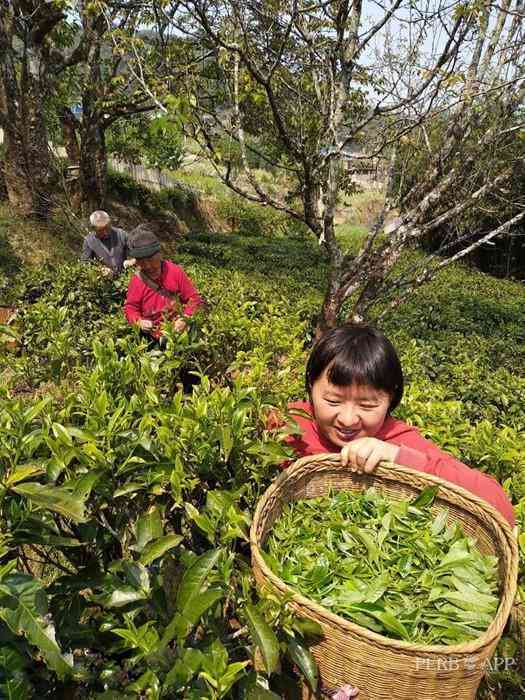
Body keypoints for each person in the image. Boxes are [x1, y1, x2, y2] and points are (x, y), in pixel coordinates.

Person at [275, 324, 515, 526]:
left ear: (391, 398)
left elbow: (500, 506)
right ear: (310, 387)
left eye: (367, 405)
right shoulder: (290, 424)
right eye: (332, 400)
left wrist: (400, 459)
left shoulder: (398, 440)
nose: (348, 419)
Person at [123, 225, 204, 341]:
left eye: (151, 260)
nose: (147, 266)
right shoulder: (137, 281)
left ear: (159, 254)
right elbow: (131, 308)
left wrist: (185, 318)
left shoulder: (175, 271)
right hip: (153, 337)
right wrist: (139, 321)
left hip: (178, 333)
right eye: (141, 262)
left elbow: (193, 298)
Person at [81, 210, 133, 275]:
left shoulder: (121, 234)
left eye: (107, 228)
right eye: (101, 230)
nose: (105, 232)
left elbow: (136, 250)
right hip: (105, 282)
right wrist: (100, 270)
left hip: (125, 277)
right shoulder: (89, 241)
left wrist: (132, 261)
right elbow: (85, 264)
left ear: (110, 224)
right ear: (93, 229)